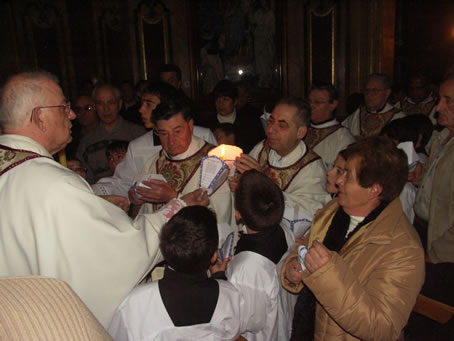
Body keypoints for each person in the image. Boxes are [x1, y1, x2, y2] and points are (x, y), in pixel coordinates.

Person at [0, 70, 209, 328]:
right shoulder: (54, 183)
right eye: (64, 107)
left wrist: (95, 208)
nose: (73, 114)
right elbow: (120, 253)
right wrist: (180, 206)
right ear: (40, 117)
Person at [281, 136, 425, 341]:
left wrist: (326, 273)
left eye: (347, 175)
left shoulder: (403, 250)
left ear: (374, 189)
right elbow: (306, 246)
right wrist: (293, 266)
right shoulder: (334, 210)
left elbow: (382, 327)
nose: (338, 180)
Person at [108, 206, 243, 341]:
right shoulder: (230, 296)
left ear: (164, 249)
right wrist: (219, 278)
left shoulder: (136, 302)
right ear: (214, 257)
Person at [92, 82, 216, 197]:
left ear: (166, 105)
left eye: (148, 104)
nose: (141, 109)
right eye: (141, 104)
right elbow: (122, 184)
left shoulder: (203, 136)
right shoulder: (137, 146)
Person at [131, 97, 232, 225]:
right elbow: (142, 219)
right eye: (163, 133)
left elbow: (220, 216)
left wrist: (174, 197)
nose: (171, 141)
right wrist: (136, 201)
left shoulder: (214, 163)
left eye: (177, 131)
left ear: (190, 126)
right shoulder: (153, 163)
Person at [233, 96, 329, 222]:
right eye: (271, 121)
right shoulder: (262, 148)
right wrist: (239, 185)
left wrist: (263, 184)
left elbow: (307, 215)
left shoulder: (313, 169)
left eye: (282, 125)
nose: (271, 129)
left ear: (300, 132)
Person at [225, 170, 293, 341]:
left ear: (238, 214)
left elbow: (246, 322)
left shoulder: (248, 268)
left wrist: (220, 277)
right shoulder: (283, 229)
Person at [76, 84, 146, 183]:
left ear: (120, 104)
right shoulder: (86, 142)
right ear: (95, 106)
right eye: (100, 103)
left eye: (111, 103)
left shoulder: (137, 134)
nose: (106, 109)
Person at [204, 80, 265, 153]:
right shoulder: (207, 125)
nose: (221, 104)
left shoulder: (248, 122)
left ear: (235, 101)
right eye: (218, 100)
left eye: (225, 99)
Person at [306, 82, 355, 169]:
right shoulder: (300, 129)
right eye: (309, 101)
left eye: (317, 102)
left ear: (333, 105)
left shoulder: (343, 138)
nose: (311, 106)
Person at [342, 73, 404, 138]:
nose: (369, 95)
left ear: (387, 93)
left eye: (374, 91)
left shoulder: (398, 117)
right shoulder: (357, 114)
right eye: (367, 90)